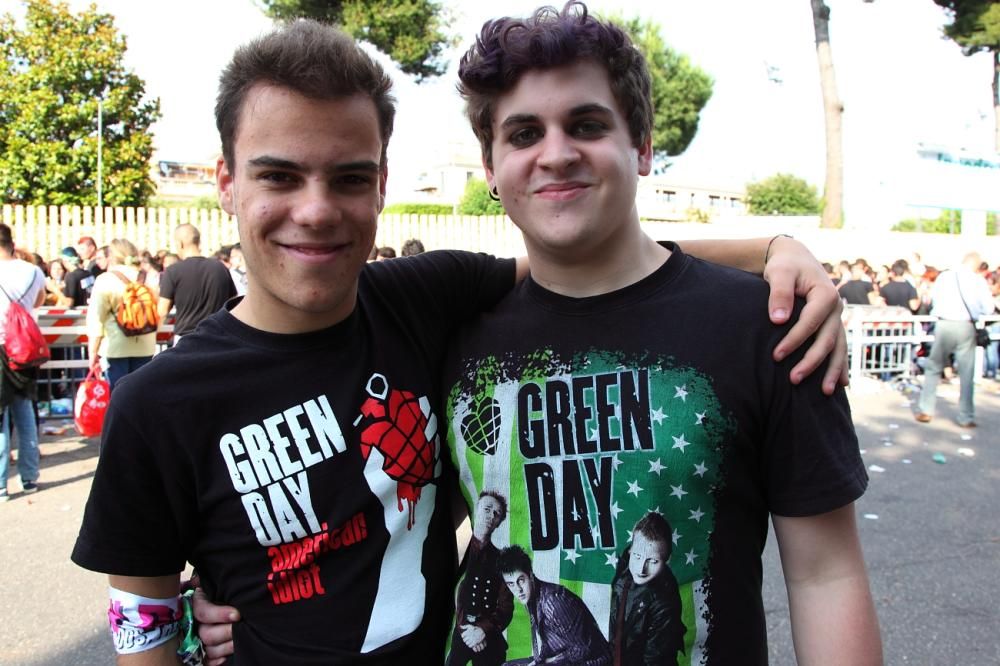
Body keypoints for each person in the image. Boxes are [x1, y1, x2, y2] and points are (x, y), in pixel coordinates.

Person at [117, 17, 848, 666]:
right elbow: (139, 617)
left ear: (381, 185)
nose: (315, 209)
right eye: (279, 175)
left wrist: (777, 247)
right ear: (225, 181)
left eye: (349, 178)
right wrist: (191, 617)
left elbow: (591, 258)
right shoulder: (160, 402)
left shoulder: (423, 302)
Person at [439, 3, 880, 664]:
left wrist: (779, 247)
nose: (555, 154)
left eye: (587, 125)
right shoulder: (451, 334)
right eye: (524, 133)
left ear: (642, 147)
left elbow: (826, 575)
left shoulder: (765, 325)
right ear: (491, 168)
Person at [915, 251, 996, 427]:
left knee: (934, 367)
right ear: (976, 265)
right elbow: (988, 308)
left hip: (944, 324)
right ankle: (966, 416)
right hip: (966, 326)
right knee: (966, 372)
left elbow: (933, 299)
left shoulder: (945, 277)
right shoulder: (978, 281)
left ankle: (926, 409)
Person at [497, 545, 611, 665]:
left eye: (521, 580)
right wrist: (539, 661)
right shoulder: (531, 599)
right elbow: (551, 642)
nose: (518, 589)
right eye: (511, 584)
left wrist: (550, 661)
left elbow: (583, 649)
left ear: (530, 575)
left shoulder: (552, 602)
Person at [0, 223, 45, 501]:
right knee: (25, 410)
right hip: (24, 348)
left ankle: (1, 484)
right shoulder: (33, 271)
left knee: (1, 418)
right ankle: (29, 478)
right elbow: (38, 301)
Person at [448, 491, 514, 666]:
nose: (491, 516)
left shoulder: (501, 560)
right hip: (461, 632)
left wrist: (482, 630)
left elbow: (506, 606)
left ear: (499, 523)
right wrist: (467, 632)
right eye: (487, 509)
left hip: (488, 636)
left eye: (496, 514)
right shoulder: (456, 547)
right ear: (476, 509)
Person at [609, 513, 685, 665]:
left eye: (653, 561)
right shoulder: (625, 564)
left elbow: (654, 661)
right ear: (630, 550)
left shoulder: (664, 604)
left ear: (667, 559)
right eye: (637, 556)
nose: (641, 569)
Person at [85, 239, 158, 390]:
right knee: (141, 393)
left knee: (118, 393)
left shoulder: (105, 279)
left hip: (115, 346)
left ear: (111, 256)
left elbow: (96, 319)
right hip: (145, 344)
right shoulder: (147, 277)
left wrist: (93, 352)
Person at [156, 223, 236, 339]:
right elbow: (233, 301)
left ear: (180, 244)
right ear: (198, 241)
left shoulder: (173, 271)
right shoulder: (220, 268)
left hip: (187, 338)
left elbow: (162, 310)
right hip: (218, 336)